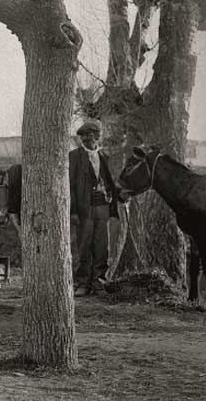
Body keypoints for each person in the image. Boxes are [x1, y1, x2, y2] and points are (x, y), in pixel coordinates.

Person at [69, 121, 122, 297]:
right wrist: (73, 211)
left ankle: (98, 282)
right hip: (85, 208)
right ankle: (83, 283)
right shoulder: (74, 157)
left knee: (102, 246)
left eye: (89, 135)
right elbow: (70, 186)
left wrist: (115, 202)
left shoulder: (105, 156)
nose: (85, 139)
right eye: (83, 136)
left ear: (97, 136)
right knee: (84, 245)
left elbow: (112, 182)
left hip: (103, 206)